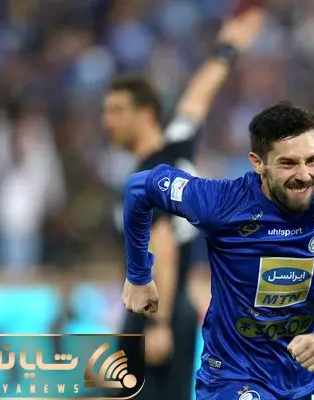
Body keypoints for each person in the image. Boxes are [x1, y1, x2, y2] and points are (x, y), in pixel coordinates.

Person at [122, 101, 314, 399]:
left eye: (312, 160)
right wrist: (139, 275)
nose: (304, 175)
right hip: (232, 376)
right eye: (288, 163)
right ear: (257, 163)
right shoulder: (221, 202)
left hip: (296, 378)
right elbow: (138, 189)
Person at [103, 8, 265, 400]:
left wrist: (156, 323)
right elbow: (198, 97)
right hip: (177, 308)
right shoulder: (178, 146)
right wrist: (227, 48)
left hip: (156, 310)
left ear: (146, 114)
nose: (108, 122)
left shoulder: (147, 175)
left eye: (117, 111)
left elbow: (162, 243)